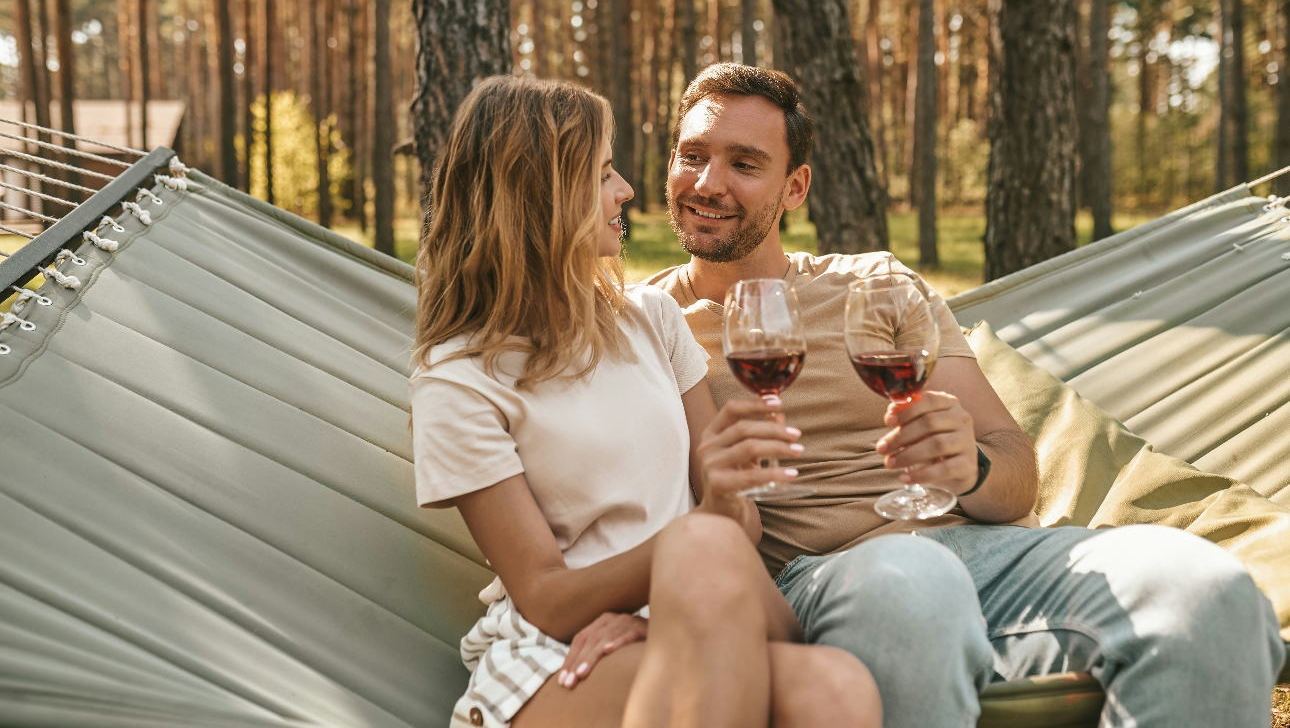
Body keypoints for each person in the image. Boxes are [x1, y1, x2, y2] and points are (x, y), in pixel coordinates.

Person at [646, 62, 1287, 728]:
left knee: (1209, 592)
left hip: (989, 558)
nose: (708, 183)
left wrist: (971, 468)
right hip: (832, 581)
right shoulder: (643, 325)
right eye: (692, 156)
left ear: (795, 187)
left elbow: (1016, 475)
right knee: (916, 588)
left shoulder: (878, 285)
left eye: (744, 164)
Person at [410, 75, 881, 728]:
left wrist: (721, 506)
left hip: (697, 610)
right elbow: (544, 595)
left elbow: (733, 527)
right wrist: (691, 552)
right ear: (538, 195)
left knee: (838, 685)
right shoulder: (459, 377)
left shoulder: (652, 318)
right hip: (561, 650)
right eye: (603, 172)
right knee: (700, 549)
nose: (626, 190)